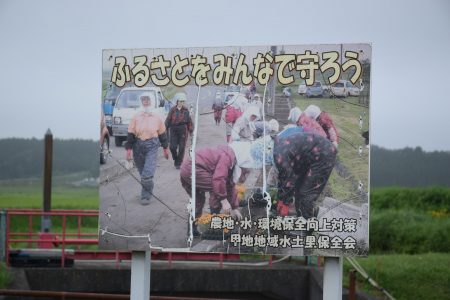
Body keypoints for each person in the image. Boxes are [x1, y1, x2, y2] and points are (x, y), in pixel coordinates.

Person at [180, 142, 254, 234]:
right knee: (217, 188)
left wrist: (234, 207)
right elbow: (219, 180)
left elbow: (230, 185)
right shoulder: (227, 157)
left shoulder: (230, 157)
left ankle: (192, 230)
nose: (245, 174)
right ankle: (215, 221)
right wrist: (224, 200)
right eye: (245, 171)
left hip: (186, 169)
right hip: (193, 169)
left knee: (198, 200)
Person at [272, 132, 337, 219]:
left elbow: (289, 180)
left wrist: (285, 204)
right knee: (299, 187)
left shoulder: (280, 156)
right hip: (310, 156)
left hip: (323, 155)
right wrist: (281, 199)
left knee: (306, 193)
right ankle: (301, 216)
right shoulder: (278, 149)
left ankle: (307, 224)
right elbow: (283, 177)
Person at [125, 93, 169, 206]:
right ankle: (149, 186)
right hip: (138, 146)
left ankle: (145, 196)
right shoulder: (136, 116)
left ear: (152, 101)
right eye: (143, 100)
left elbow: (163, 133)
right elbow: (130, 133)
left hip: (152, 145)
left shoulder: (157, 117)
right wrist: (128, 150)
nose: (146, 102)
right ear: (141, 102)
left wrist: (165, 148)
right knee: (142, 172)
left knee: (147, 174)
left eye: (148, 100)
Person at [165, 92, 193, 169]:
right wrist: (164, 129)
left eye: (183, 101)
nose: (182, 103)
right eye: (180, 101)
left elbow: (189, 122)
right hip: (173, 129)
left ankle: (178, 162)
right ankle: (176, 158)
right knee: (172, 147)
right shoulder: (172, 110)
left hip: (183, 130)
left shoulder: (186, 110)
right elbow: (168, 120)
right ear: (177, 101)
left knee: (181, 147)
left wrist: (191, 131)